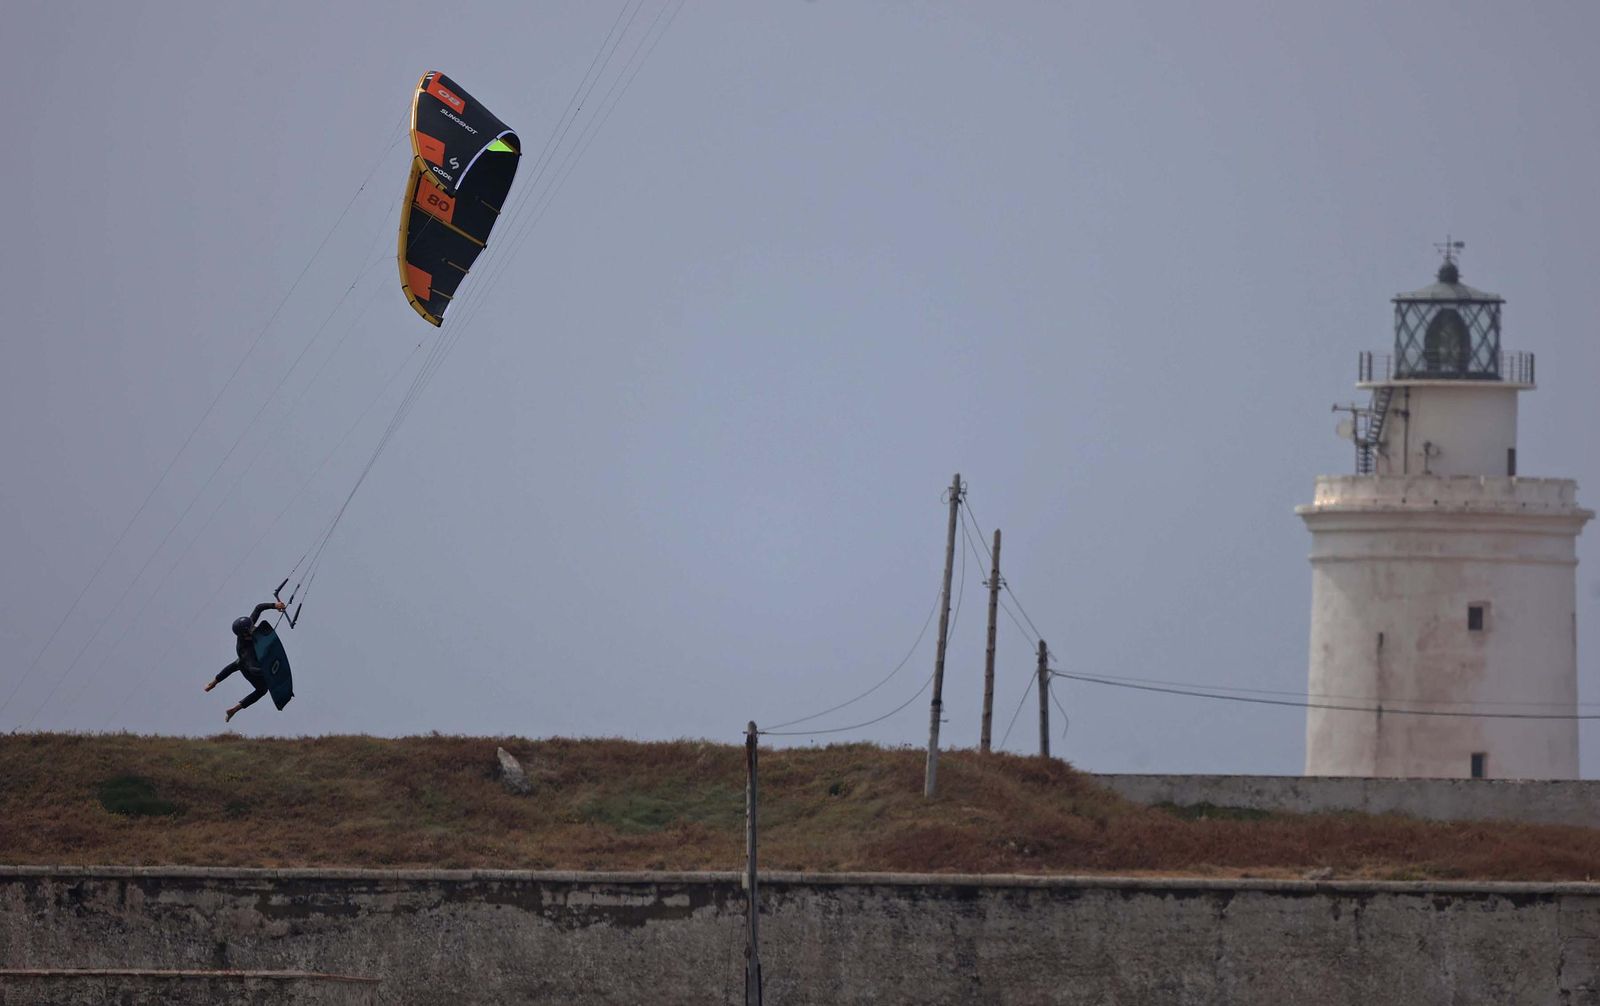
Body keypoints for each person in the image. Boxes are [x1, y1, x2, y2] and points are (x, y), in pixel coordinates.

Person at [203, 600, 287, 722]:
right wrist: (266, 670)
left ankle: (213, 684)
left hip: (252, 659)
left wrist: (275, 606)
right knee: (261, 689)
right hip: (249, 666)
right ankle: (232, 707)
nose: (255, 627)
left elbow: (258, 608)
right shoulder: (244, 649)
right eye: (252, 628)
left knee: (237, 664)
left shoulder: (248, 624)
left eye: (253, 625)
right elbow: (252, 668)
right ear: (244, 634)